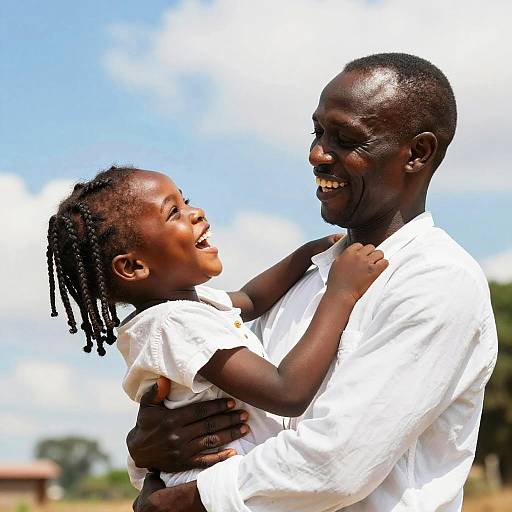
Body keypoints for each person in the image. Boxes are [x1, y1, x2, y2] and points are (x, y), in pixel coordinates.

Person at [128, 53, 498, 512]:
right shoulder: (307, 277)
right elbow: (234, 416)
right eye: (317, 132)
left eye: (345, 139)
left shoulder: (437, 281)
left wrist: (178, 503)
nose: (317, 154)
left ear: (417, 153)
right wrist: (149, 452)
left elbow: (337, 464)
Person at [46, 167, 387, 488]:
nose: (196, 212)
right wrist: (342, 293)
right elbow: (286, 393)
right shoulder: (173, 324)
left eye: (186, 200)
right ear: (134, 266)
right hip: (210, 493)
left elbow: (252, 298)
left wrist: (308, 254)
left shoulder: (187, 308)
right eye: (173, 213)